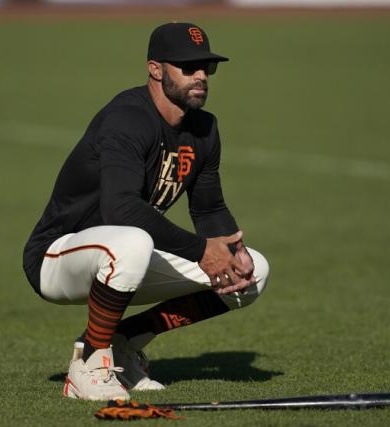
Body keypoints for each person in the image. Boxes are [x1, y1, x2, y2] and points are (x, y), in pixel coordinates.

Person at [23, 22, 269, 402]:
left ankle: (124, 339)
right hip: (58, 256)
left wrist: (229, 250)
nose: (201, 76)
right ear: (156, 69)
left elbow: (209, 208)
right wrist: (202, 251)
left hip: (125, 254)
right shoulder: (127, 118)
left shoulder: (204, 129)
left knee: (253, 273)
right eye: (189, 68)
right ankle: (89, 360)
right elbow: (119, 208)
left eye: (207, 67)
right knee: (134, 240)